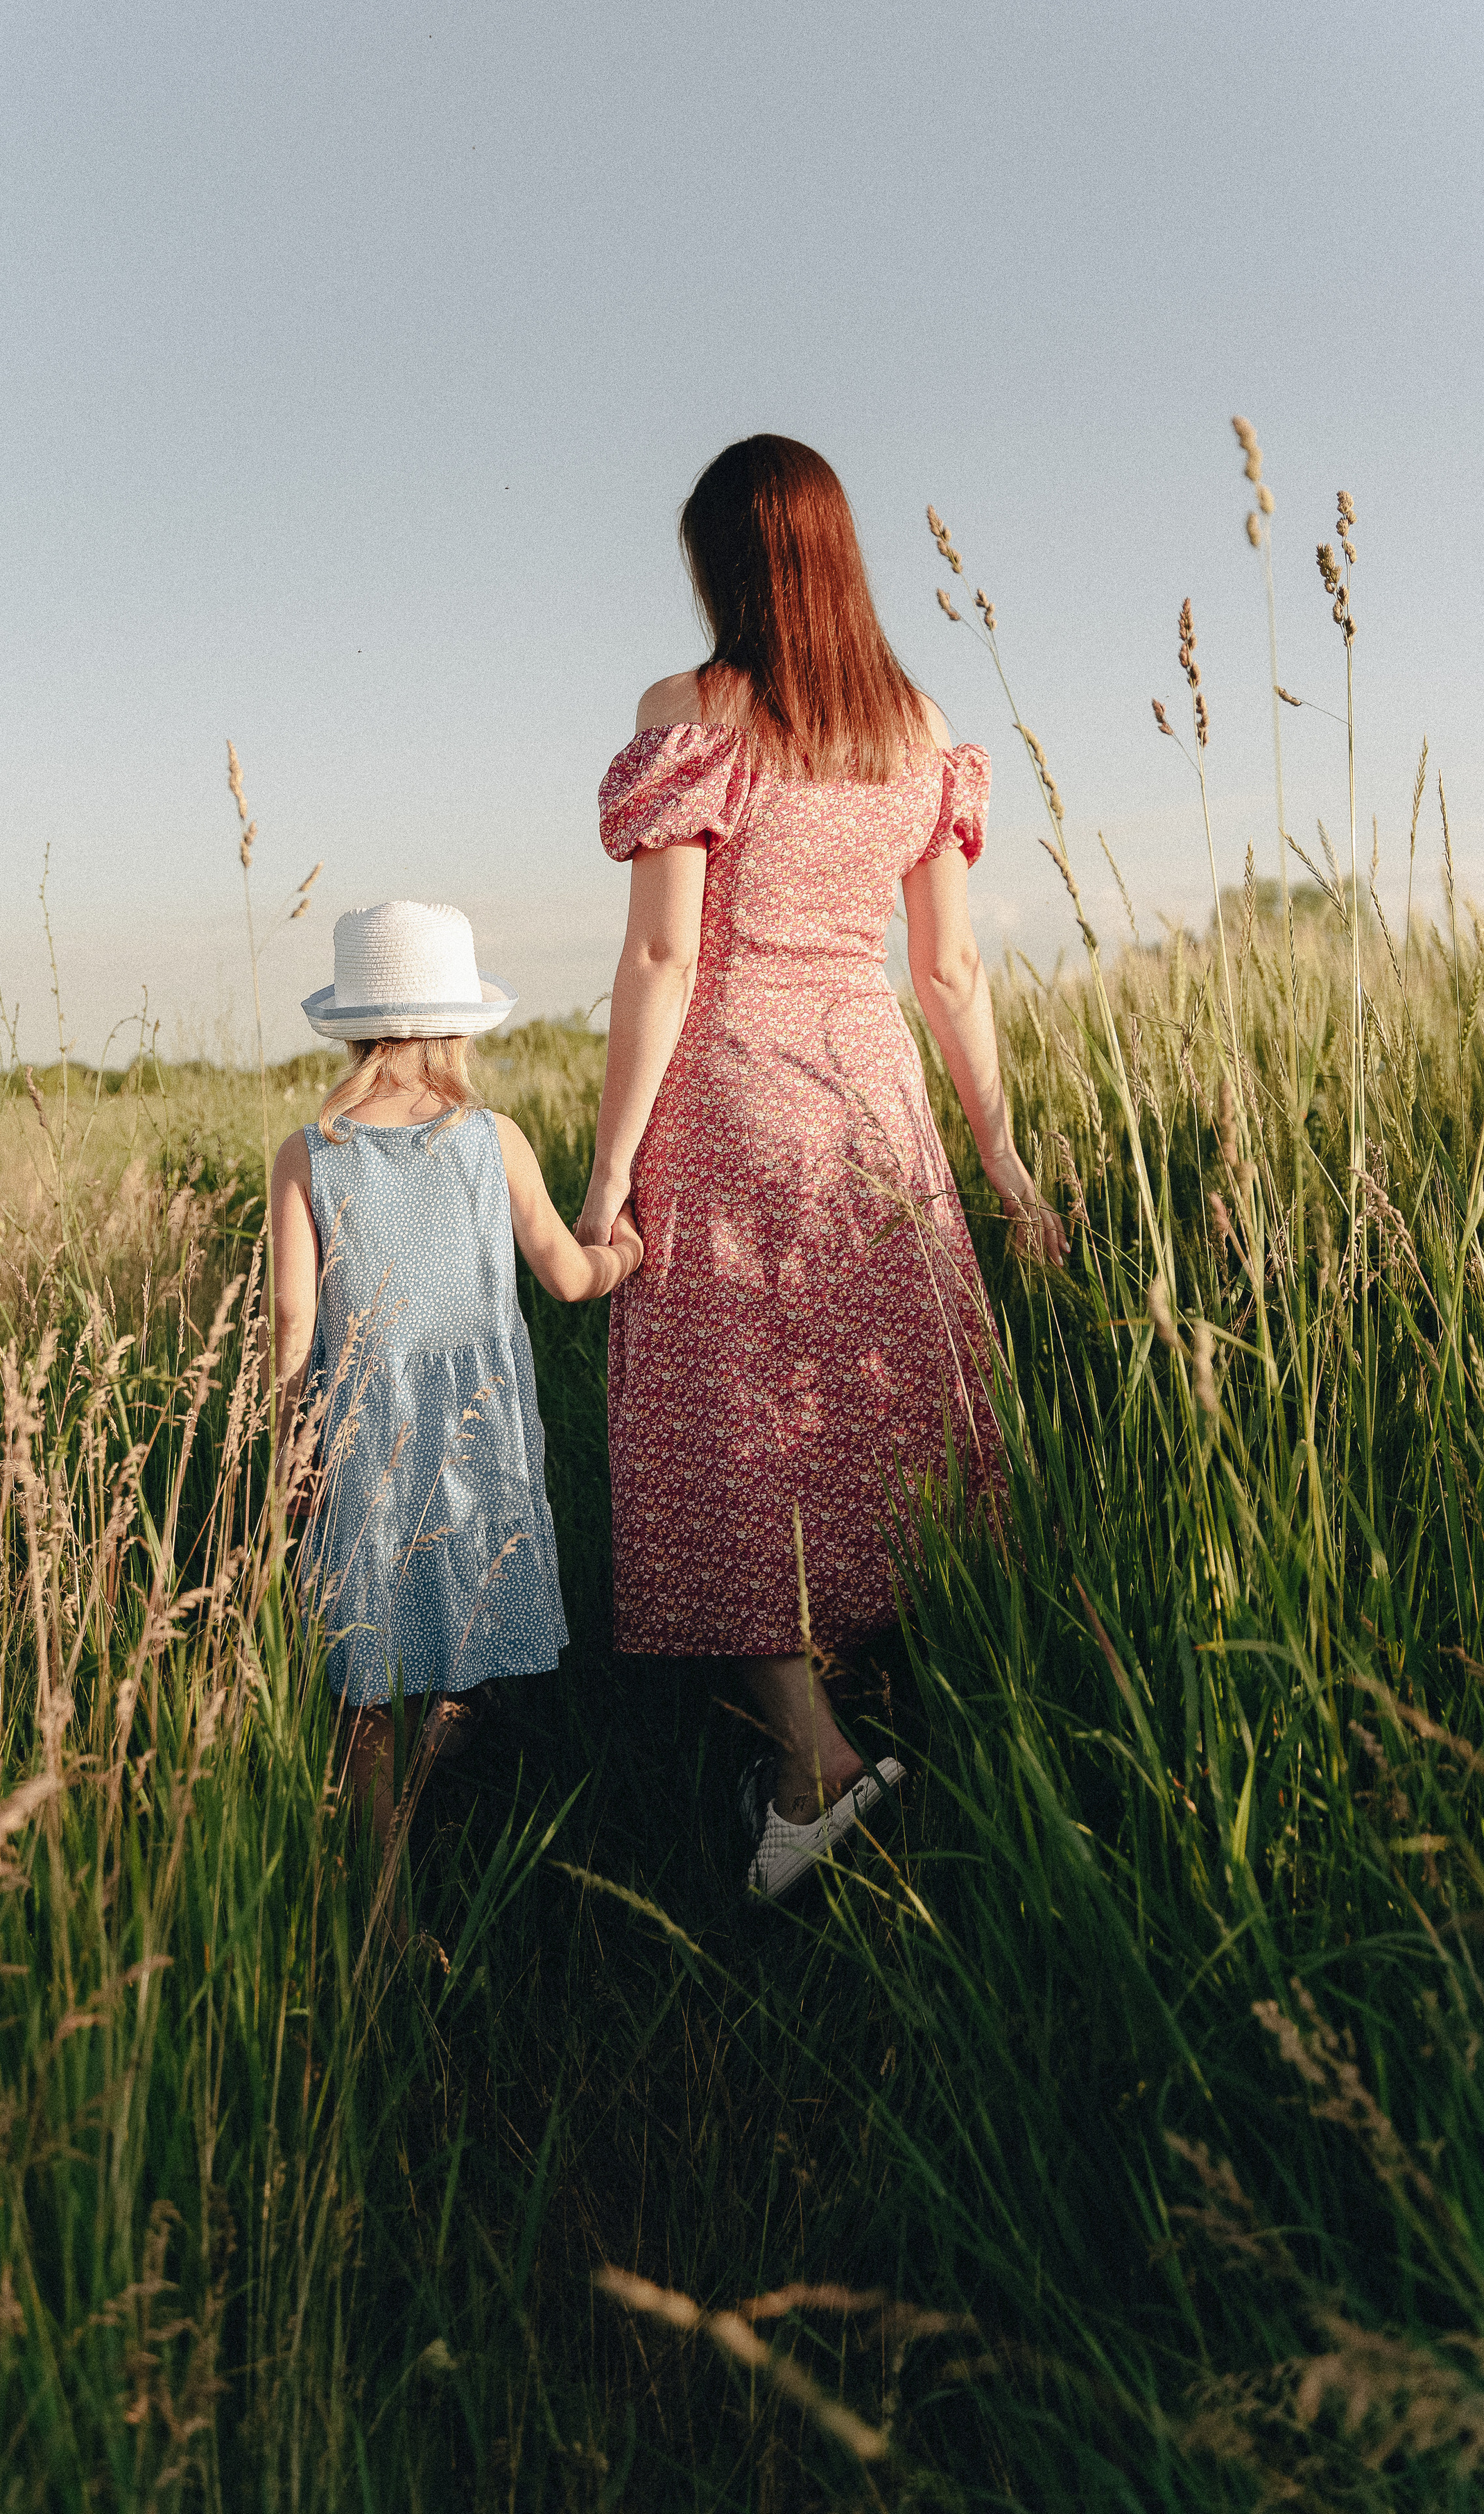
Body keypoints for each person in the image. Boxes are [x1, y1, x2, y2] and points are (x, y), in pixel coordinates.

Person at [575, 435, 1066, 1899]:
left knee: (729, 1414)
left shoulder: (695, 713)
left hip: (728, 1093)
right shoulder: (917, 731)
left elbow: (664, 952)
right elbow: (952, 967)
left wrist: (603, 1177)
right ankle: (890, 1703)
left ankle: (813, 1763)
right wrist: (1002, 1156)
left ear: (725, 561)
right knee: (870, 1393)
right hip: (865, 1092)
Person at [269, 899, 641, 1837]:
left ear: (355, 1033)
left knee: (366, 1666)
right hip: (476, 1428)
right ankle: (450, 1746)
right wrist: (624, 1255)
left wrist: (290, 1442)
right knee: (471, 1604)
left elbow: (291, 1317)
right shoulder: (492, 1137)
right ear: (458, 1027)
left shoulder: (309, 1155)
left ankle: (384, 1894)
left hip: (356, 1428)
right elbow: (565, 1273)